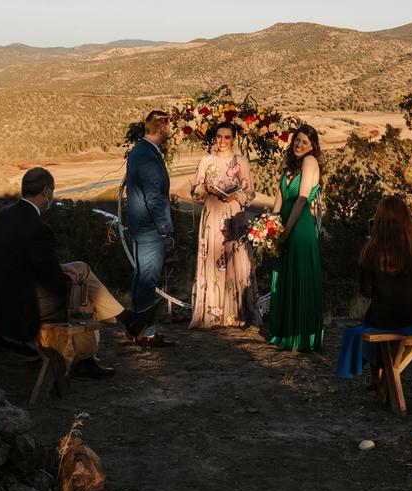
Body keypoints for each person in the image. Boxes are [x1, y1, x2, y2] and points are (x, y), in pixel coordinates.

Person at [0, 167, 122, 378]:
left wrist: (60, 268)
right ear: (46, 192)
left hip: (1, 300)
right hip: (27, 305)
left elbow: (18, 259)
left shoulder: (4, 216)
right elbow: (54, 285)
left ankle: (121, 317)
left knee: (80, 267)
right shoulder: (38, 227)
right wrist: (65, 279)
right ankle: (88, 358)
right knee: (82, 292)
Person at [336, 196, 412, 383]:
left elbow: (366, 291)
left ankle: (378, 377)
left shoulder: (373, 250)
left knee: (371, 321)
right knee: (390, 323)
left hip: (390, 320)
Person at [189, 122, 262, 329]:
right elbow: (195, 193)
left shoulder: (241, 161)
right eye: (219, 136)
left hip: (234, 216)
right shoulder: (206, 160)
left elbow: (250, 194)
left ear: (234, 138)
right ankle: (212, 314)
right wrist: (205, 187)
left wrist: (237, 194)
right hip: (212, 217)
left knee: (237, 261)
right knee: (212, 261)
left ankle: (239, 313)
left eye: (227, 137)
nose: (222, 141)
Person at [117, 111, 176, 346]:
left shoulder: (141, 151)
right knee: (147, 279)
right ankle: (145, 332)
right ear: (162, 128)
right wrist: (164, 228)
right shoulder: (147, 156)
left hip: (143, 226)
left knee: (142, 275)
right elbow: (153, 197)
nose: (171, 130)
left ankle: (136, 328)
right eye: (170, 126)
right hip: (150, 227)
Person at [267, 124, 324, 351]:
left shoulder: (310, 162)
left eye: (305, 142)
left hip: (299, 226)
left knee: (299, 275)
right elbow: (280, 195)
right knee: (284, 276)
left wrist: (287, 230)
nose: (299, 145)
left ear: (312, 147)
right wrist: (269, 225)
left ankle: (300, 335)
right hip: (283, 222)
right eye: (297, 141)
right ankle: (283, 331)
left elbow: (301, 199)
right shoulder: (288, 163)